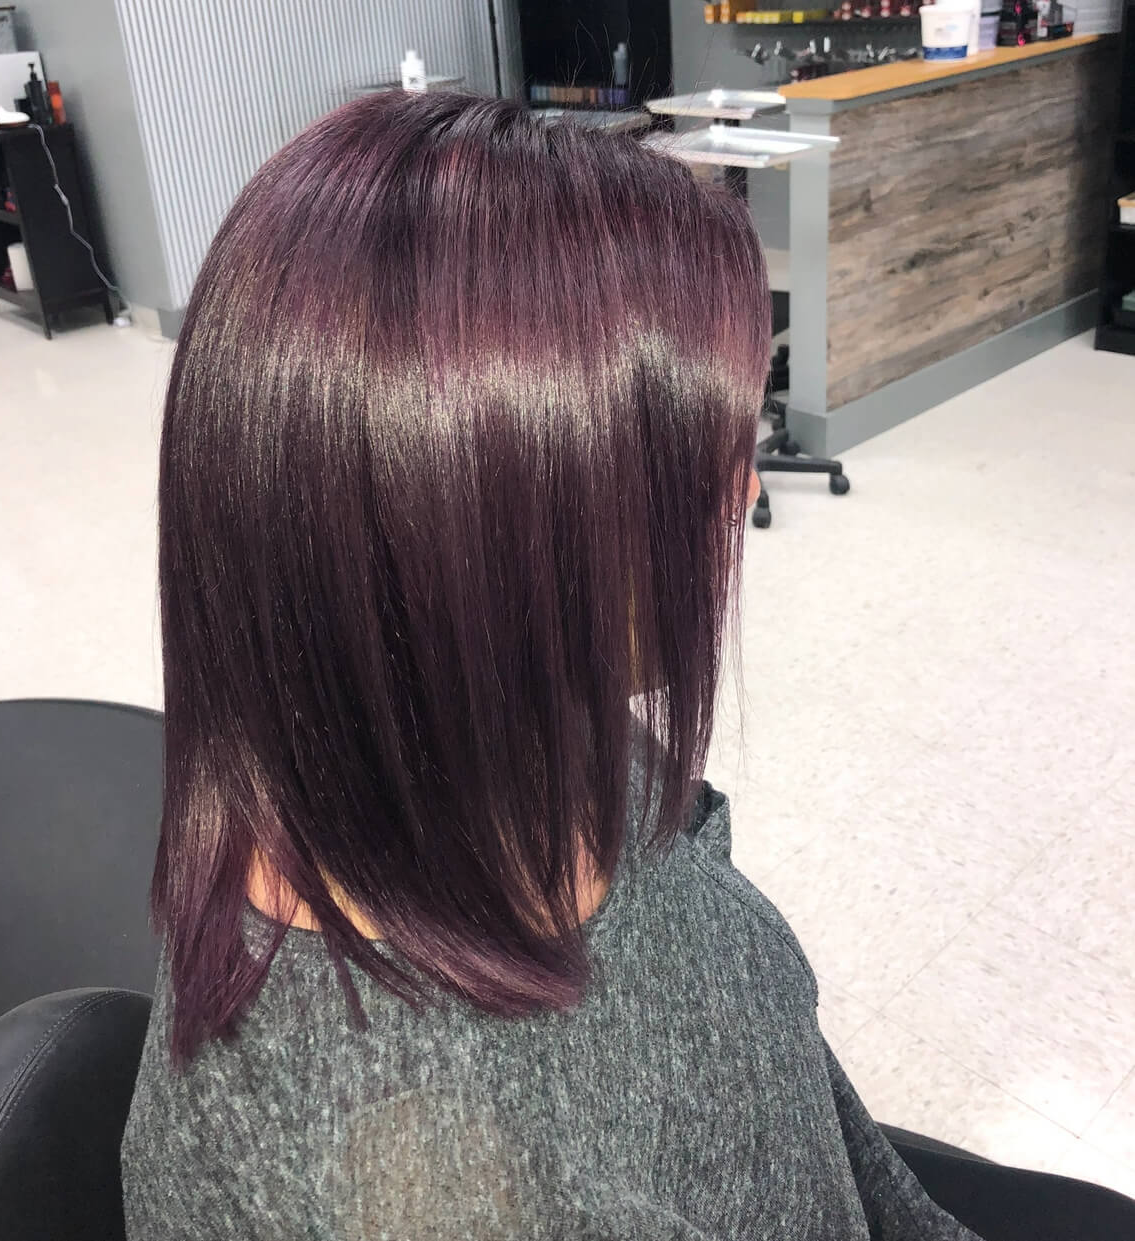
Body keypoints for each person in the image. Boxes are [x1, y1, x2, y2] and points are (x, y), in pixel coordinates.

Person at [123, 91, 979, 1238]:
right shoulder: (422, 1180)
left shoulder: (538, 719)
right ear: (469, 531)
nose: (743, 497)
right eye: (704, 465)